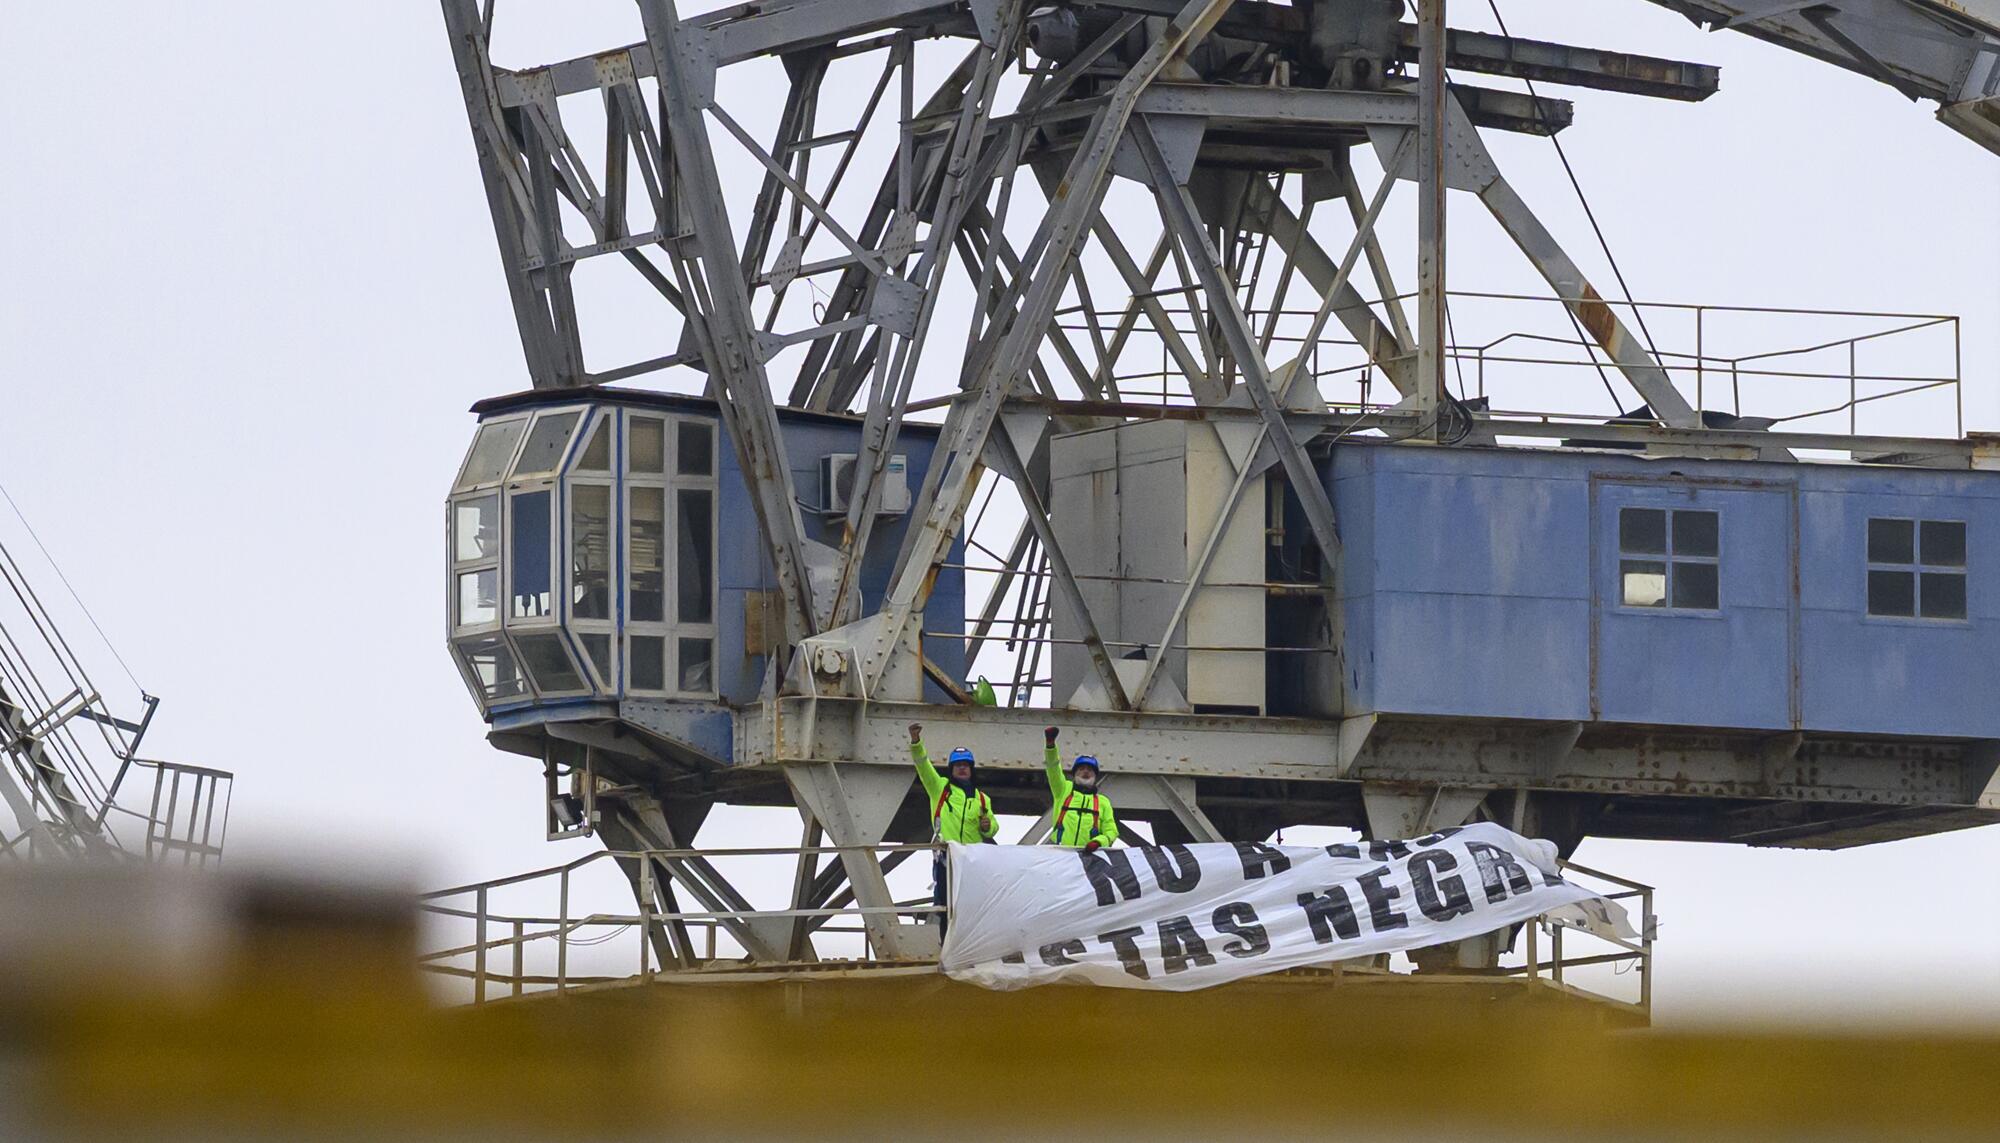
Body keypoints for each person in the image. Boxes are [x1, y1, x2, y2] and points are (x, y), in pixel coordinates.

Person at [907, 722, 998, 930]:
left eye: (966, 765)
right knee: (946, 907)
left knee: (974, 906)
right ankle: (947, 948)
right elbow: (922, 765)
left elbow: (993, 827)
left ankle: (972, 948)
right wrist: (916, 742)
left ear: (971, 769)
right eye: (958, 765)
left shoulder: (982, 799)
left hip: (973, 861)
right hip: (947, 859)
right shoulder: (940, 788)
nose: (962, 768)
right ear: (952, 769)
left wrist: (987, 826)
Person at [1042, 726, 1118, 851]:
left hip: (1087, 857)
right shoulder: (1063, 790)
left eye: (1089, 770)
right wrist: (1050, 746)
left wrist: (1098, 842)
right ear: (1075, 773)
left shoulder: (1103, 802)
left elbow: (1111, 831)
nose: (1085, 772)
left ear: (1095, 776)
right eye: (1081, 769)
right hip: (1059, 854)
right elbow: (1053, 768)